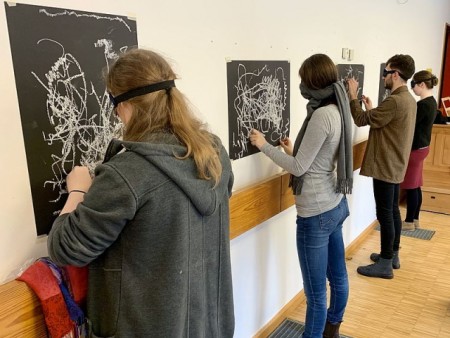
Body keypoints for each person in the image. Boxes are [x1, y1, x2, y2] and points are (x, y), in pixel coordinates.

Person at [47, 48, 235, 338]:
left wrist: (78, 190)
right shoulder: (213, 151)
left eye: (113, 103)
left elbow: (65, 247)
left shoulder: (127, 172)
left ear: (125, 104)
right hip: (206, 322)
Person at [249, 54, 353, 338]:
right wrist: (293, 149)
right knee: (339, 277)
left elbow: (299, 168)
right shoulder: (339, 107)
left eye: (303, 80)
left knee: (316, 294)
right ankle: (333, 327)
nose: (300, 85)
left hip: (316, 213)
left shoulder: (321, 115)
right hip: (335, 204)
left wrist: (263, 146)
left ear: (312, 81)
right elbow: (318, 160)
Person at [347, 54, 416, 279]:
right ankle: (392, 254)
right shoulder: (407, 99)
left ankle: (385, 263)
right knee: (393, 211)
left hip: (386, 165)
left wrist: (352, 96)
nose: (383, 76)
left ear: (395, 74)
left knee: (385, 213)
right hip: (395, 164)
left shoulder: (395, 101)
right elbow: (386, 121)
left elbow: (359, 119)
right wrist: (373, 109)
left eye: (385, 72)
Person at [400, 71, 439, 231]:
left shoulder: (423, 105)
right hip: (423, 148)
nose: (412, 89)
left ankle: (409, 222)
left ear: (421, 85)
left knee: (410, 186)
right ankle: (415, 219)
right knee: (416, 185)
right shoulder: (432, 102)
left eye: (413, 85)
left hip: (415, 150)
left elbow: (410, 126)